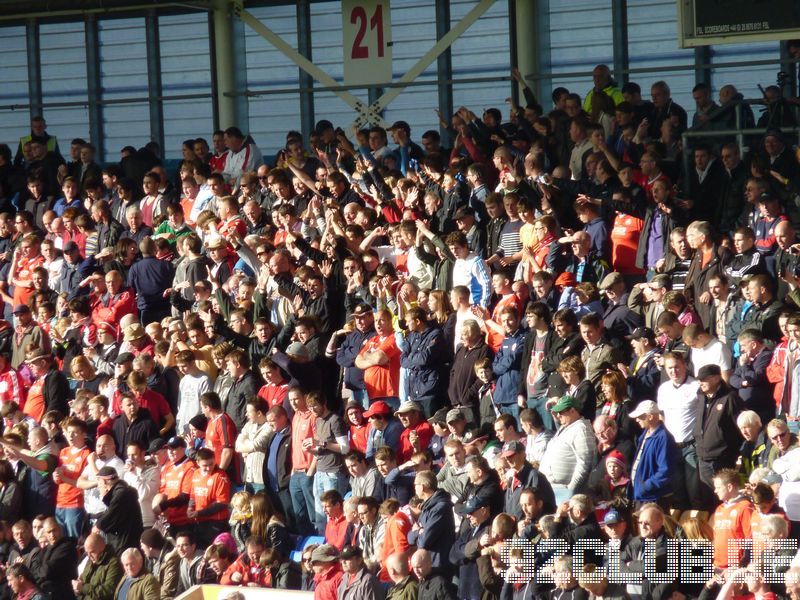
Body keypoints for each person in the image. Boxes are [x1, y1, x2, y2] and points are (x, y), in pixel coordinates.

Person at [73, 533, 123, 600]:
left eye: (92, 552)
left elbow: (109, 590)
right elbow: (82, 579)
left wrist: (83, 588)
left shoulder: (113, 563)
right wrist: (77, 588)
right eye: (87, 553)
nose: (89, 556)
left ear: (102, 548)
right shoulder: (91, 560)